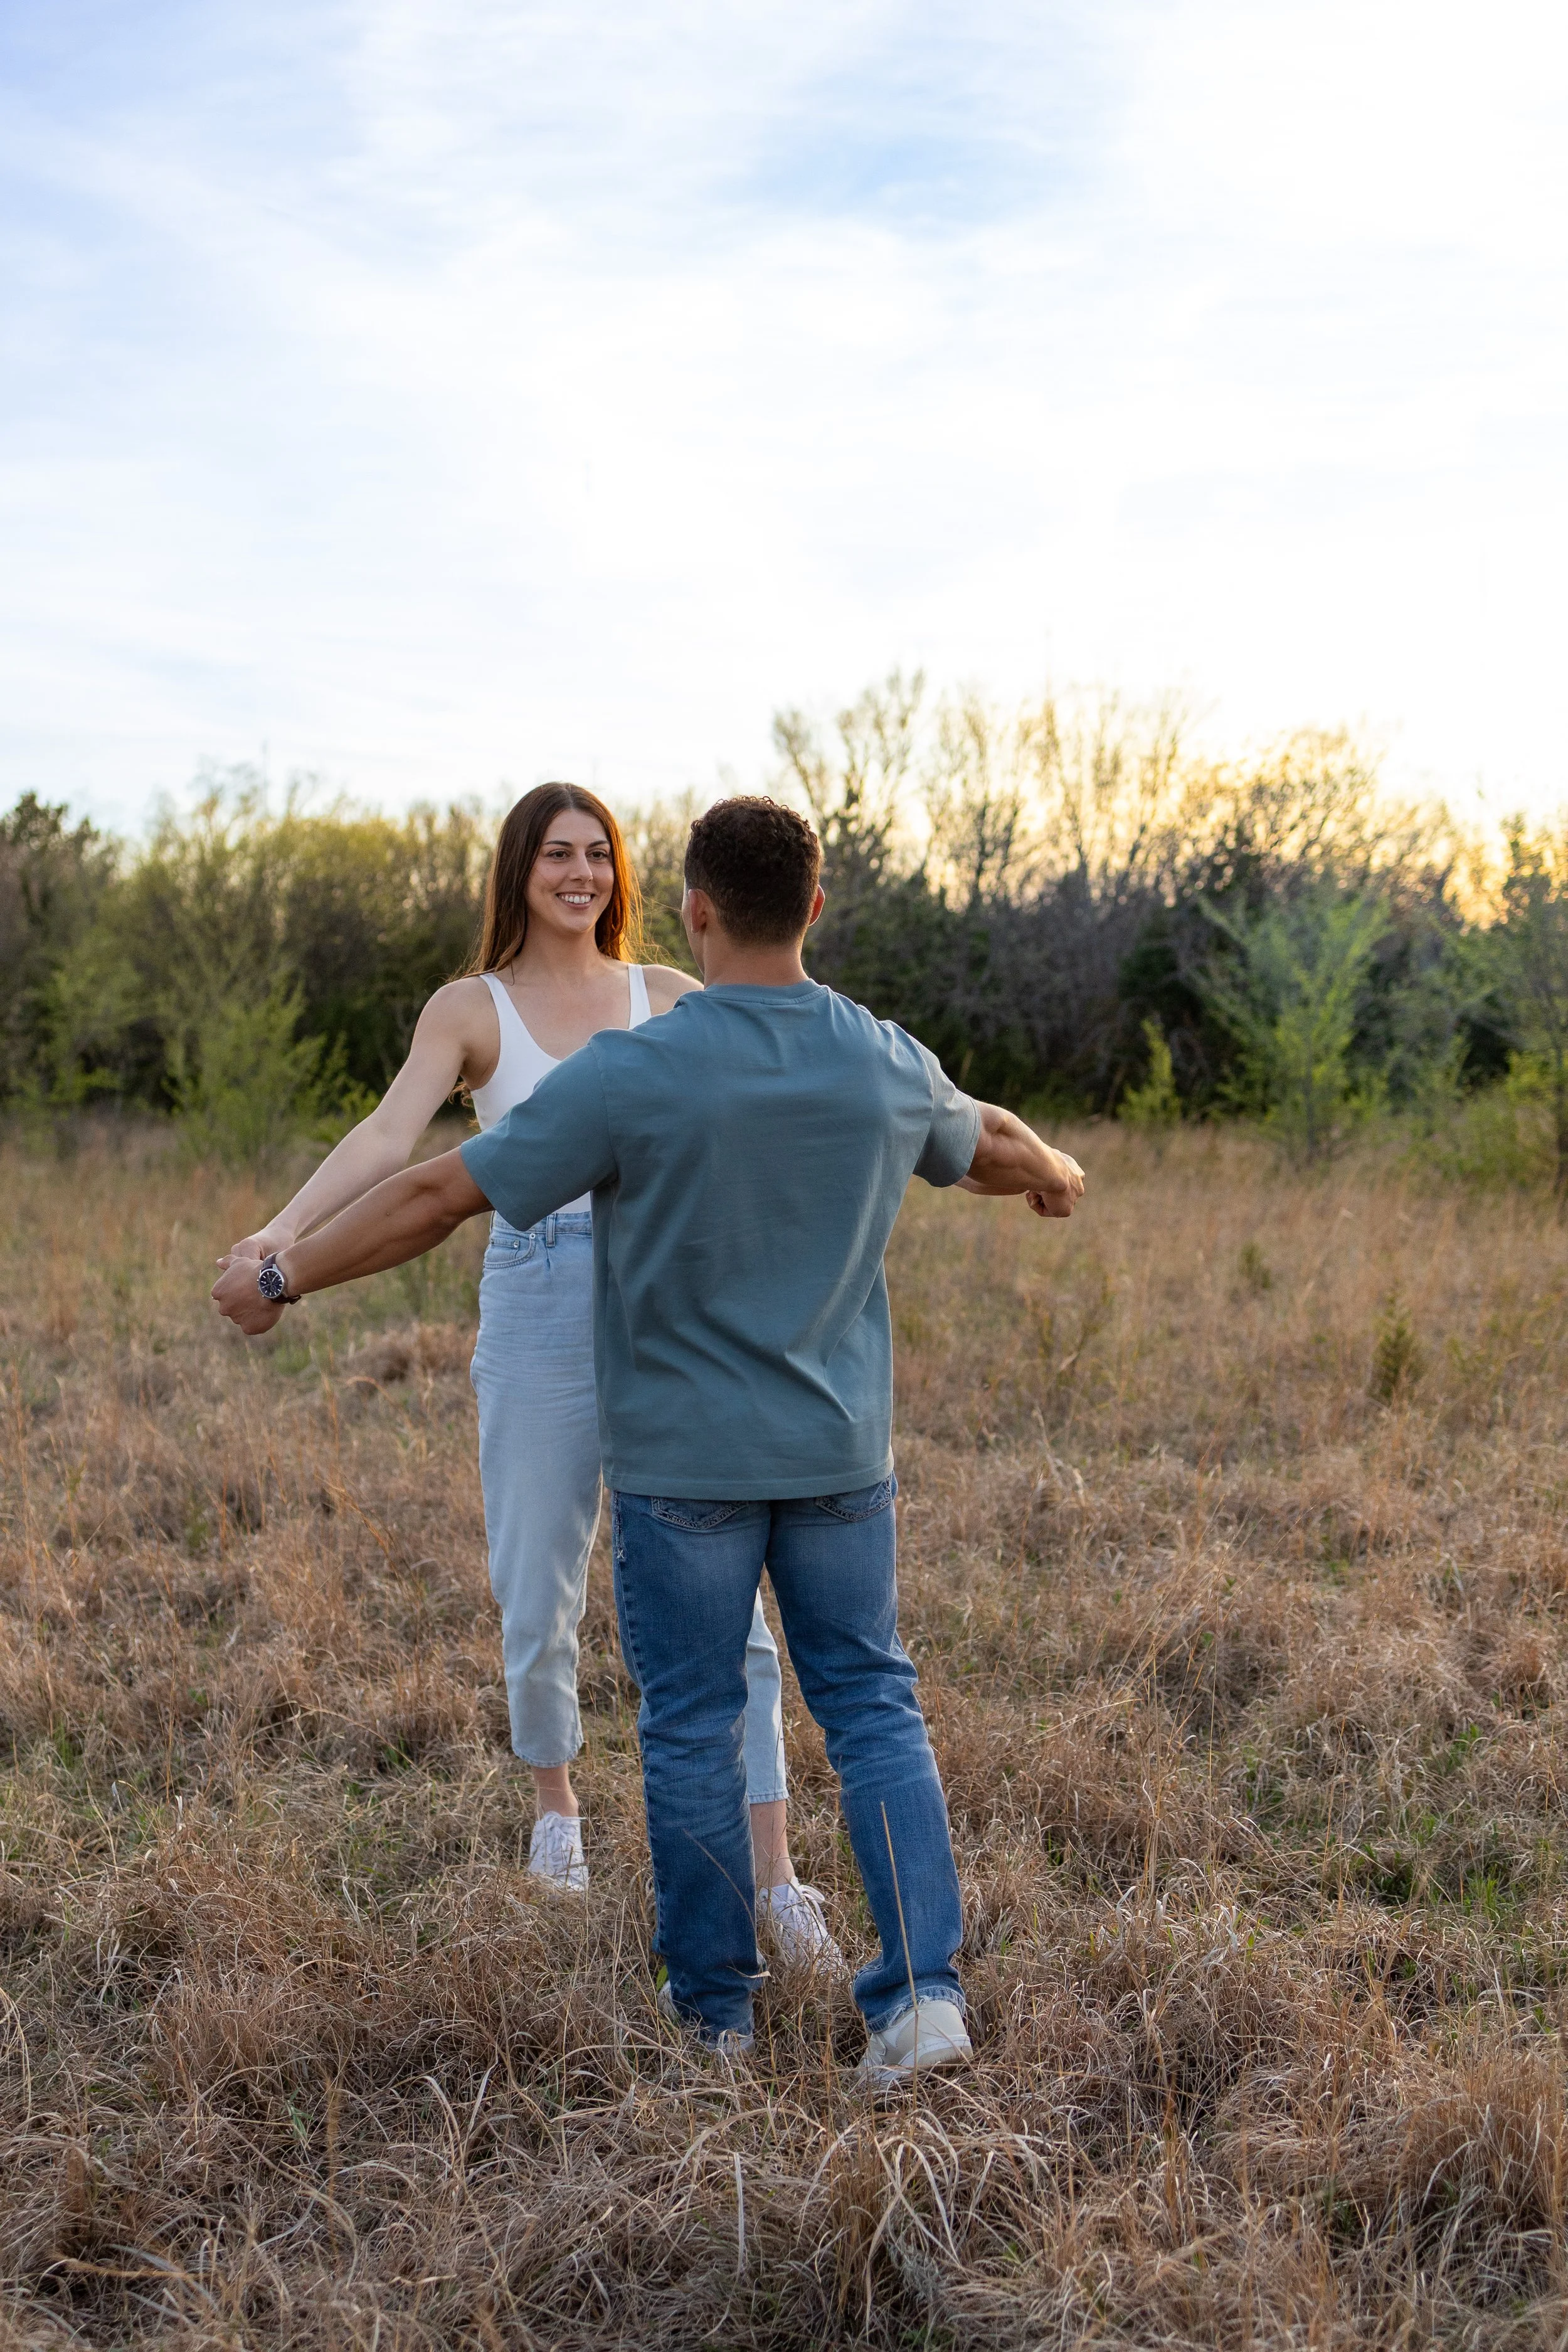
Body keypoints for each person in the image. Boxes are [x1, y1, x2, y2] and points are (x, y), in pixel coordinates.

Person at [213, 795, 1084, 2083]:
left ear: (690, 910)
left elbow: (439, 1192)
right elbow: (991, 1138)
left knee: (683, 1723)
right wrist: (1056, 1169)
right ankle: (921, 2005)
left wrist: (284, 1279)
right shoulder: (879, 1054)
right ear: (817, 909)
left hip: (686, 1469)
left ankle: (714, 2021)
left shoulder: (636, 1065)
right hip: (841, 1460)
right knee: (873, 1710)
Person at [217, 783, 837, 1968]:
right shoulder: (473, 1007)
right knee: (535, 1574)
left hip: (669, 1303)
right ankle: (557, 1810)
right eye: (558, 854)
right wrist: (278, 1240)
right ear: (521, 869)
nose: (582, 874)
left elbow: (755, 1103)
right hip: (541, 1293)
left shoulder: (668, 995)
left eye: (599, 854)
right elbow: (391, 1141)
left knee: (732, 1598)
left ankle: (776, 1873)